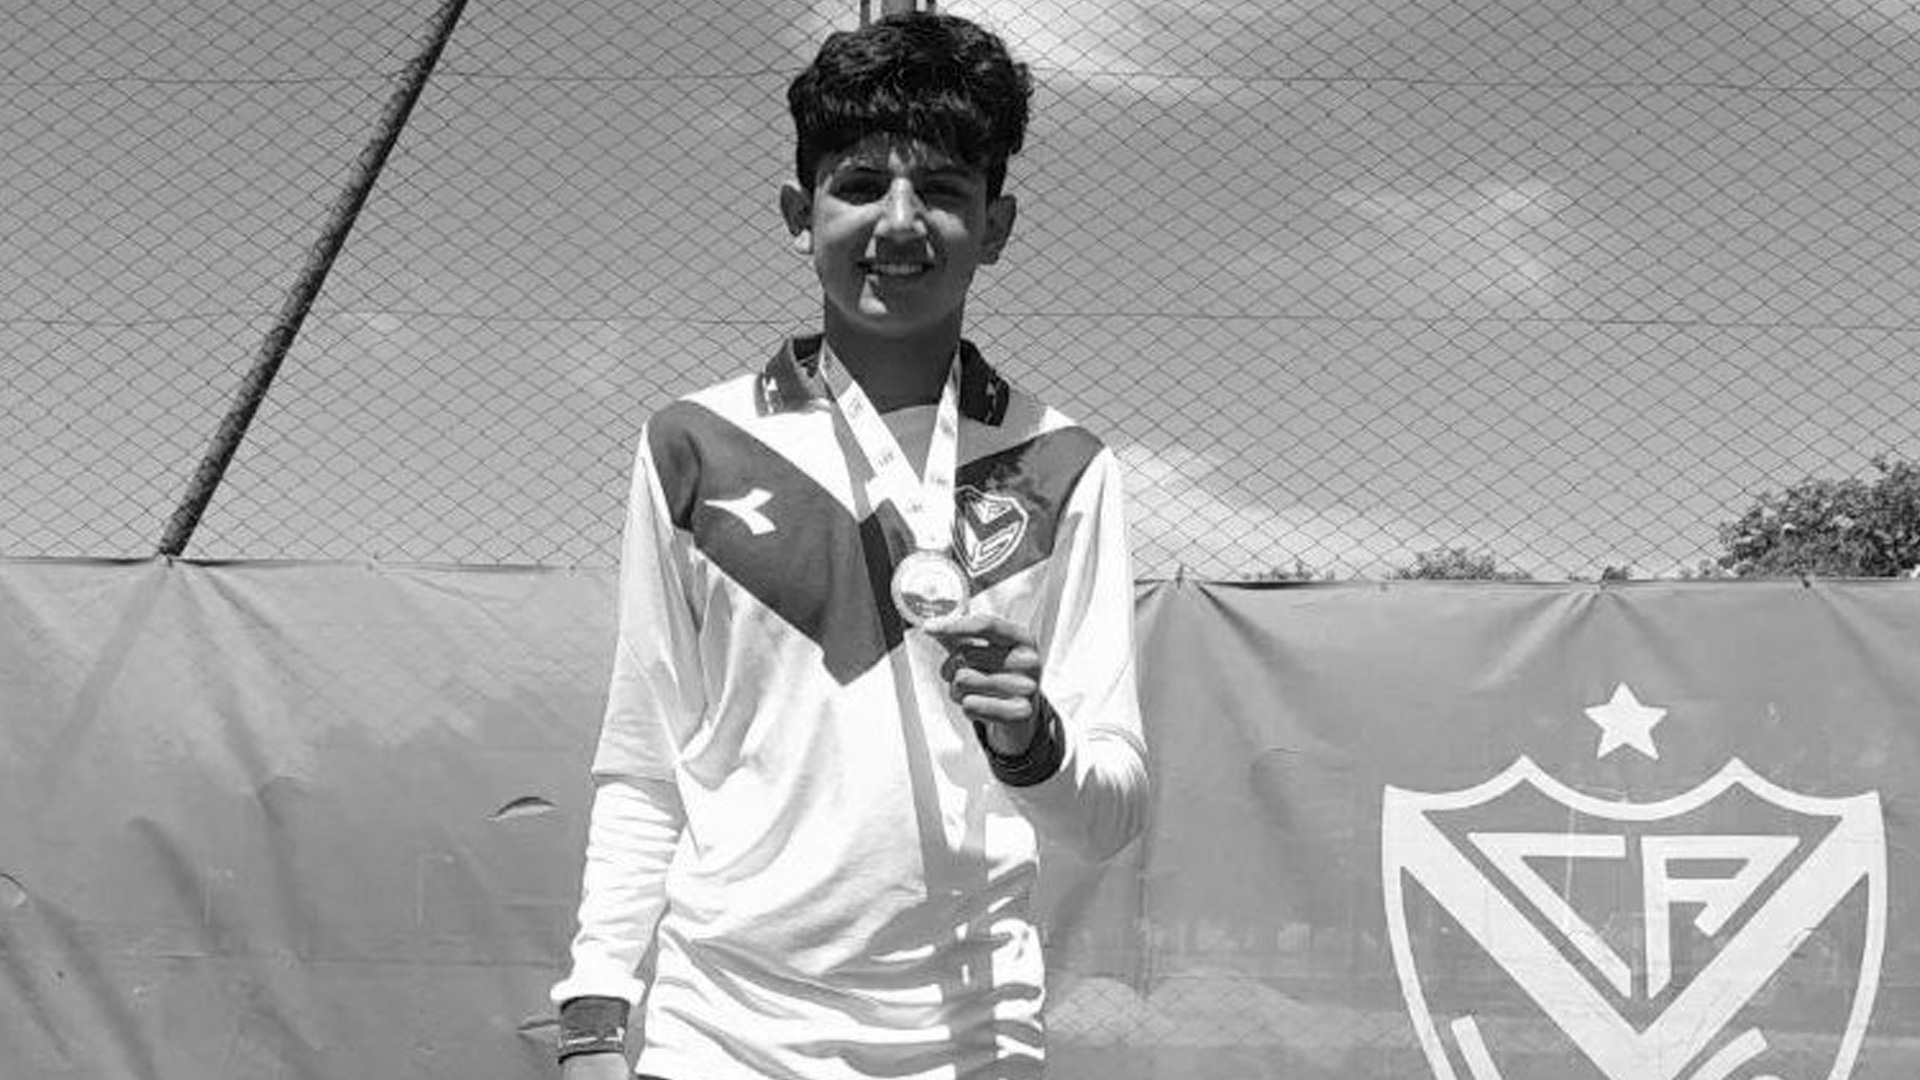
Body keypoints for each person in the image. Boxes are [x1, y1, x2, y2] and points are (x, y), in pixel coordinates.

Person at [550, 12, 1149, 1080]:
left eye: (944, 191)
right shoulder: (693, 445)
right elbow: (647, 757)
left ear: (998, 225)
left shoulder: (1063, 468)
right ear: (800, 213)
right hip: (718, 1034)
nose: (900, 223)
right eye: (863, 184)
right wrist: (596, 1010)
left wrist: (1033, 746)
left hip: (969, 1039)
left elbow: (1110, 816)